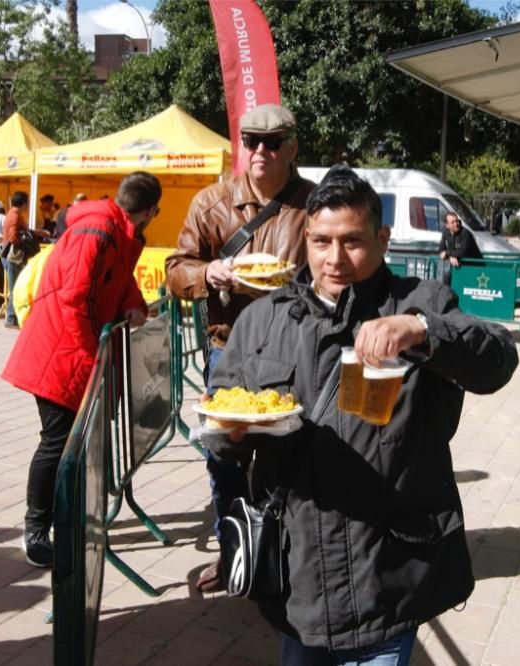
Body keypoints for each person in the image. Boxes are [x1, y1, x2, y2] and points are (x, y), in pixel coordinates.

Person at [204, 167, 519, 663]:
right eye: (322, 241)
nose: (335, 258)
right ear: (306, 239)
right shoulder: (263, 319)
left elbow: (498, 359)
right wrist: (232, 433)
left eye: (352, 241)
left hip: (387, 578)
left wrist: (421, 330)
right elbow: (220, 426)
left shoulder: (421, 301)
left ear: (383, 238)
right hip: (297, 578)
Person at [165, 103, 315, 593]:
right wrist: (208, 273)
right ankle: (232, 549)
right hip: (227, 351)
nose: (261, 151)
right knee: (222, 456)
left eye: (273, 142)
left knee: (288, 452)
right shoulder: (212, 203)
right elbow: (176, 268)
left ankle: (284, 553)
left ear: (292, 147)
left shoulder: (313, 205)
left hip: (293, 350)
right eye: (251, 141)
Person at [1, 171, 161, 568]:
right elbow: (73, 300)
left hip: (76, 354)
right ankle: (36, 530)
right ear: (151, 210)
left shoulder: (121, 231)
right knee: (56, 443)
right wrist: (94, 361)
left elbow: (121, 280)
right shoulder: (99, 228)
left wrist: (134, 303)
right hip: (60, 355)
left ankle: (67, 517)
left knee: (73, 443)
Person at [0, 192, 49, 328]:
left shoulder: (13, 214)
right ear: (23, 203)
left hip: (12, 257)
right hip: (13, 258)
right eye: (27, 202)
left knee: (15, 286)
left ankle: (12, 317)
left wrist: (37, 233)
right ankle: (10, 318)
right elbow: (14, 237)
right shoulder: (15, 216)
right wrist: (26, 243)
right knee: (15, 287)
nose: (28, 205)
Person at [437, 211, 482, 286]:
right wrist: (450, 257)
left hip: (473, 268)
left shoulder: (465, 233)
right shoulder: (445, 233)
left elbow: (463, 252)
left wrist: (448, 253)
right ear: (447, 225)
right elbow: (441, 250)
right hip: (459, 267)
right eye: (453, 222)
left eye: (457, 221)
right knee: (446, 278)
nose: (456, 224)